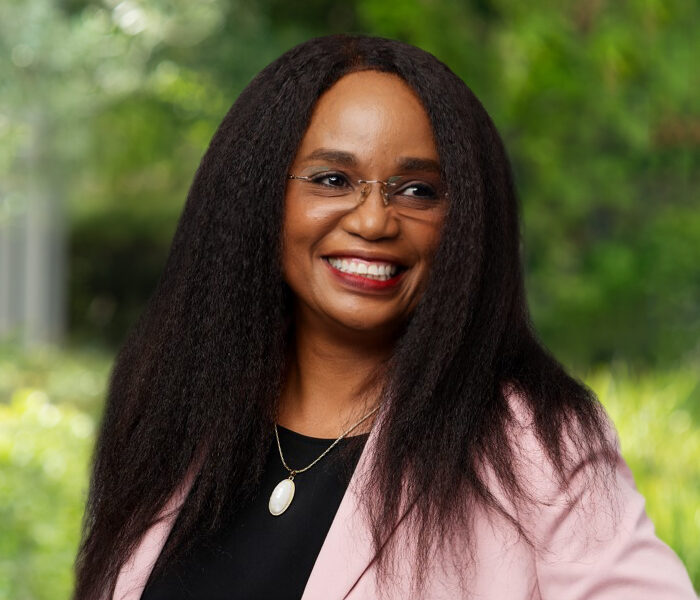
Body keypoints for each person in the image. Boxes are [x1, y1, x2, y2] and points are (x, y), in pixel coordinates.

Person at [73, 34, 696, 600]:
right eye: (332, 179)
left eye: (418, 190)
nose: (374, 221)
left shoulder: (533, 441)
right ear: (259, 193)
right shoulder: (178, 411)